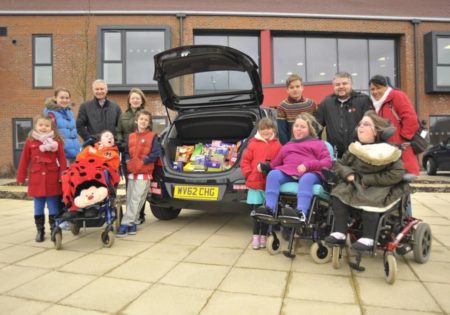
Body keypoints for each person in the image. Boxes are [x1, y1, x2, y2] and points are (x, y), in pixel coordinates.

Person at [325, 111, 409, 251]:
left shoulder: (388, 151)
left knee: (370, 201)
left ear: (376, 131)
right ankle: (339, 232)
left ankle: (369, 238)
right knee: (338, 195)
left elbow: (397, 173)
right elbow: (339, 164)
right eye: (359, 125)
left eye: (366, 124)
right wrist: (348, 173)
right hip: (355, 183)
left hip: (378, 186)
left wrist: (368, 179)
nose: (360, 127)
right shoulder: (355, 149)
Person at [255, 113, 332, 221]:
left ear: (310, 129)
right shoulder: (287, 145)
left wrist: (308, 165)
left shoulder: (318, 144)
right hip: (289, 172)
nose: (298, 129)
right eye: (296, 126)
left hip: (310, 173)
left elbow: (327, 162)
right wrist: (265, 166)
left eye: (302, 127)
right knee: (273, 174)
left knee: (306, 178)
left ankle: (301, 213)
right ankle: (269, 209)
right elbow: (275, 164)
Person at [16, 114, 67, 242]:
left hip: (52, 178)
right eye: (41, 125)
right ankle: (40, 231)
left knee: (53, 206)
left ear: (52, 128)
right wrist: (20, 177)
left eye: (47, 125)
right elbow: (24, 160)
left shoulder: (57, 142)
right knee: (38, 206)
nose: (43, 127)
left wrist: (63, 175)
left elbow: (62, 160)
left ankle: (54, 230)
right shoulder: (30, 141)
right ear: (36, 126)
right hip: (36, 179)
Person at [117, 110, 160, 237]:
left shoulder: (153, 136)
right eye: (141, 119)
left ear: (149, 123)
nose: (143, 121)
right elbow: (125, 152)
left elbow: (155, 153)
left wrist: (144, 161)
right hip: (132, 172)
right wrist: (127, 161)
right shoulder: (130, 136)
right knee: (132, 198)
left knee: (136, 199)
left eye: (146, 120)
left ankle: (125, 223)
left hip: (145, 172)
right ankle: (134, 222)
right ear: (136, 120)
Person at [241, 117, 282, 249]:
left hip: (269, 185)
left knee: (266, 212)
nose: (266, 131)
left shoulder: (277, 145)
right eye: (263, 129)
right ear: (258, 130)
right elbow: (245, 161)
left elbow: (280, 163)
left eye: (268, 128)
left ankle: (263, 236)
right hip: (255, 184)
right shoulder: (253, 144)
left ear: (273, 130)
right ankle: (255, 237)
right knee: (256, 212)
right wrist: (248, 173)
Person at [369, 75, 420, 176]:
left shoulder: (397, 96)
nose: (375, 92)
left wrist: (403, 138)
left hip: (400, 147)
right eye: (372, 89)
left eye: (378, 88)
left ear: (386, 87)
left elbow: (411, 118)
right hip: (386, 148)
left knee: (402, 177)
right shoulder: (375, 104)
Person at [315, 72, 373, 158]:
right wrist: (316, 146)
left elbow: (372, 125)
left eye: (344, 83)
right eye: (337, 84)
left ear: (351, 84)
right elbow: (316, 127)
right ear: (333, 87)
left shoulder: (363, 100)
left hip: (359, 153)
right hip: (335, 155)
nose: (341, 86)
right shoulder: (326, 103)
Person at [62, 130, 120, 213]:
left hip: (99, 173)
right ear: (100, 140)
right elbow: (79, 158)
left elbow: (106, 162)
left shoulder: (112, 152)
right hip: (85, 171)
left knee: (95, 172)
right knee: (70, 174)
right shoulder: (89, 148)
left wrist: (94, 154)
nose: (110, 137)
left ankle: (94, 202)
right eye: (107, 136)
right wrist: (92, 152)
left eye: (112, 137)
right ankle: (73, 203)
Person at [116, 88, 148, 224]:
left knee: (141, 185)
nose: (135, 100)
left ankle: (140, 214)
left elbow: (149, 132)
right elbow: (118, 132)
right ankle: (130, 214)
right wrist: (121, 145)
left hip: (141, 155)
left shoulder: (146, 115)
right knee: (130, 184)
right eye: (133, 98)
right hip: (127, 154)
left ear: (141, 100)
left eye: (138, 98)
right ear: (129, 100)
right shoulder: (123, 116)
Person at [44, 88, 81, 164]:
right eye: (62, 98)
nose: (64, 100)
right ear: (55, 98)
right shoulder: (51, 114)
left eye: (67, 98)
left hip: (75, 154)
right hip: (61, 154)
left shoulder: (69, 112)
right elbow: (48, 135)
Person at [277, 74, 316, 145]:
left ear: (302, 87)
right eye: (291, 87)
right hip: (292, 146)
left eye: (297, 86)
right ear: (287, 90)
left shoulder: (311, 104)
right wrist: (288, 147)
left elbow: (316, 127)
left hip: (310, 145)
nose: (295, 89)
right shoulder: (282, 106)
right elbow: (282, 132)